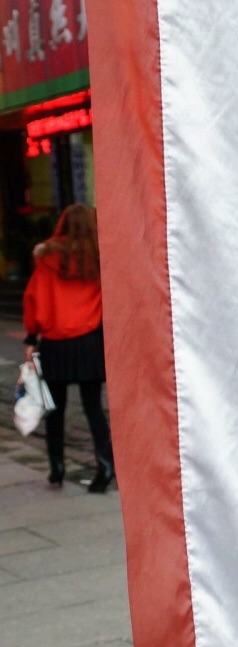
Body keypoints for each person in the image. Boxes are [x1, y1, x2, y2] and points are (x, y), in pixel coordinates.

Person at [22, 203, 115, 492]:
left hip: (56, 344)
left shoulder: (46, 259)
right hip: (88, 342)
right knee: (93, 408)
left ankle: (57, 468)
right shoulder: (100, 259)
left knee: (56, 409)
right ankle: (105, 466)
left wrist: (31, 337)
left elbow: (34, 298)